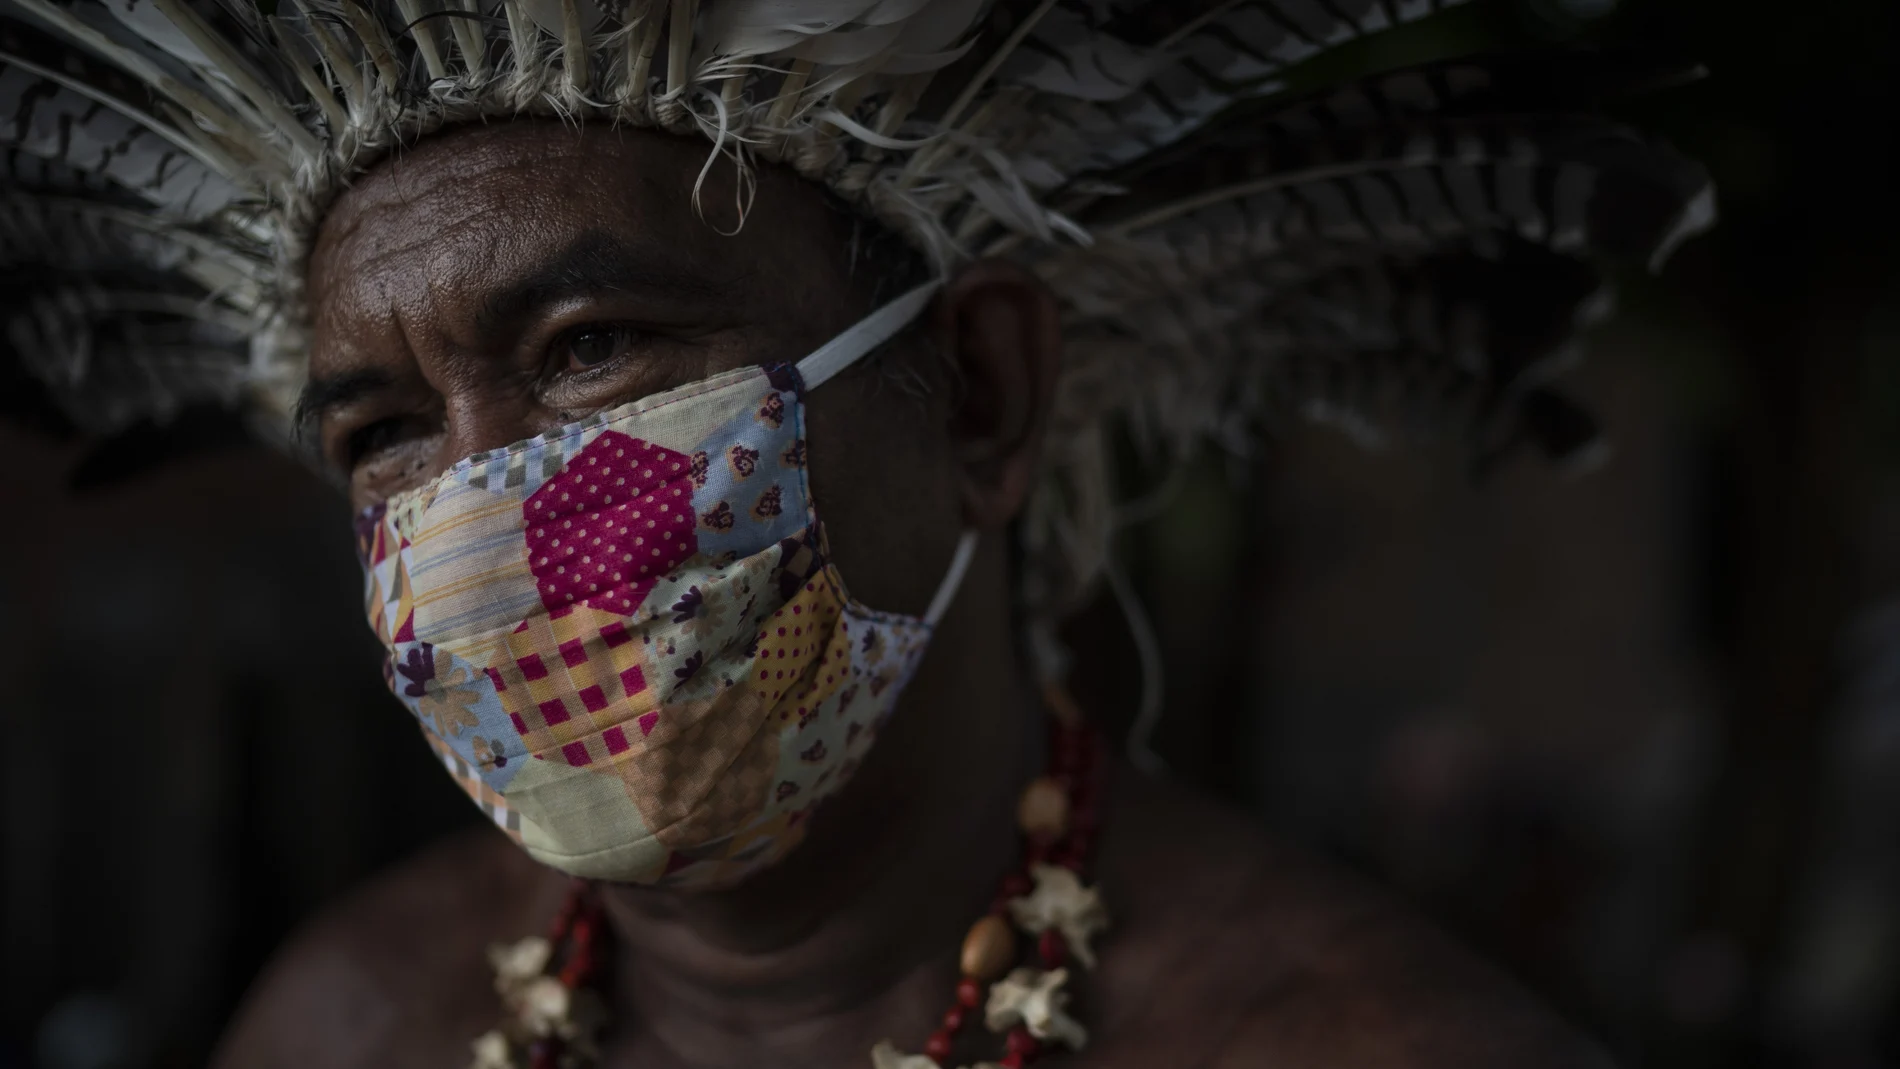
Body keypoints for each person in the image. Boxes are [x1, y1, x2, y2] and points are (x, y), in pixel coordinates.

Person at [0, 1, 1711, 1066]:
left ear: (979, 395)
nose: (477, 532)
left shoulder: (1366, 1044)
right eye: (380, 433)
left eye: (591, 349)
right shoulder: (350, 1022)